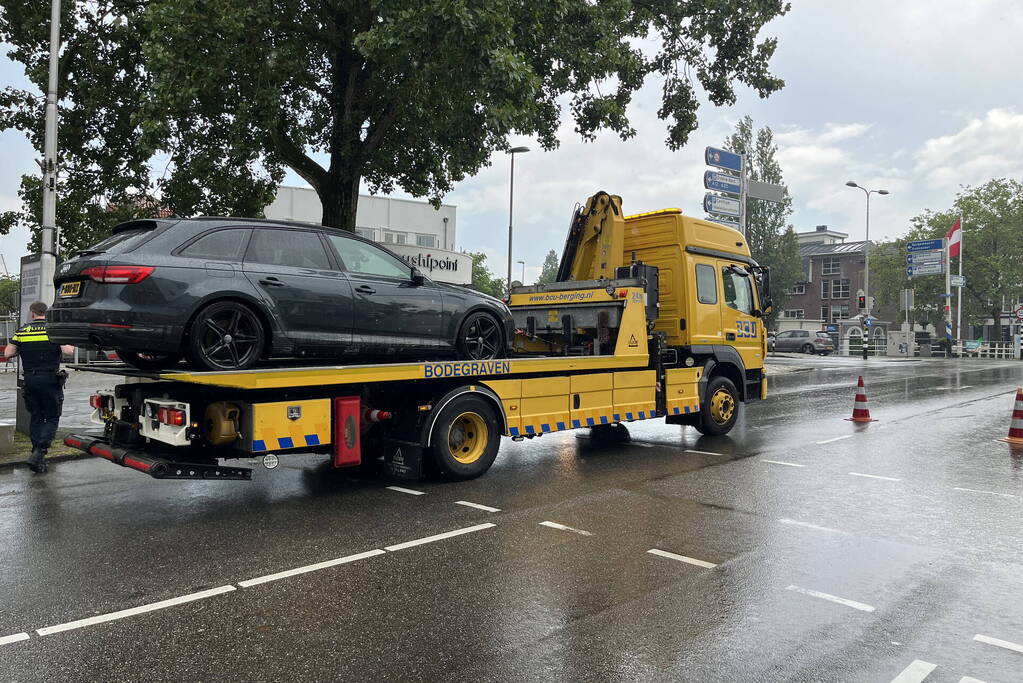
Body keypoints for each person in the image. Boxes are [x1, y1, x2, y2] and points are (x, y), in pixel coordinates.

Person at [3, 301, 74, 474]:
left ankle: (36, 456)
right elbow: (69, 351)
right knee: (51, 417)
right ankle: (40, 452)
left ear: (32, 313)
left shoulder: (22, 331)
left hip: (30, 380)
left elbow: (8, 353)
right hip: (50, 380)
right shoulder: (52, 330)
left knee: (36, 417)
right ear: (46, 313)